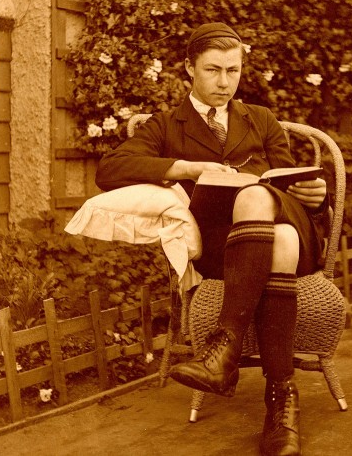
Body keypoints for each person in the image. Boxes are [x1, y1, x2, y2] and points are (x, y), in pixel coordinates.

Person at [95, 22, 329, 456]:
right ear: (188, 68)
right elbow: (109, 171)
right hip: (226, 250)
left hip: (285, 223)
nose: (225, 83)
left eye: (233, 71)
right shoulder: (167, 125)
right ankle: (282, 404)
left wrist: (315, 196)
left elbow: (290, 182)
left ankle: (223, 351)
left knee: (261, 196)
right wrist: (185, 168)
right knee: (280, 241)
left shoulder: (260, 119)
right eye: (213, 70)